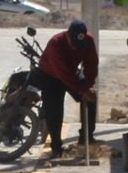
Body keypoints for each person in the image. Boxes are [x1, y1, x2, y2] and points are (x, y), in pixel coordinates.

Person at [28, 19, 99, 153]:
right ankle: (56, 147)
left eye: (80, 45)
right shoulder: (56, 43)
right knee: (54, 110)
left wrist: (88, 86)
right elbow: (63, 75)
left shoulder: (88, 40)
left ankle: (86, 136)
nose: (77, 47)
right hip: (51, 75)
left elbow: (91, 64)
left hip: (71, 72)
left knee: (91, 100)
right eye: (74, 44)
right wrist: (82, 90)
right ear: (67, 35)